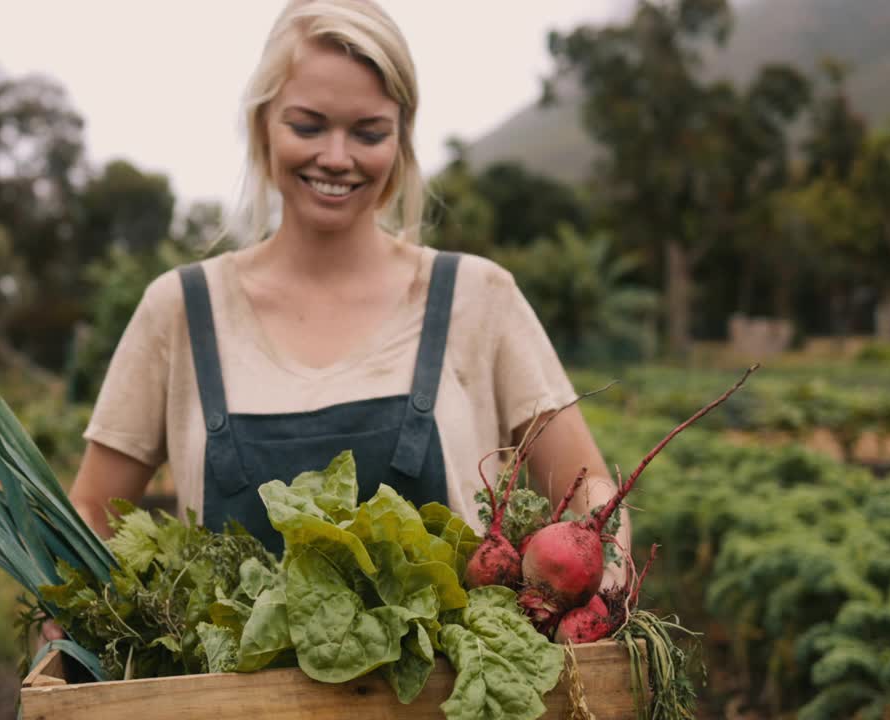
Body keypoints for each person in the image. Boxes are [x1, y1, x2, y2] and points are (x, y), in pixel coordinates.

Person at [44, 0, 628, 645]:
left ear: (401, 138)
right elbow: (93, 513)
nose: (336, 156)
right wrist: (63, 635)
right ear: (262, 123)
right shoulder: (181, 311)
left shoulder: (477, 297)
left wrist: (609, 569)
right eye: (308, 125)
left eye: (369, 132)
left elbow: (588, 493)